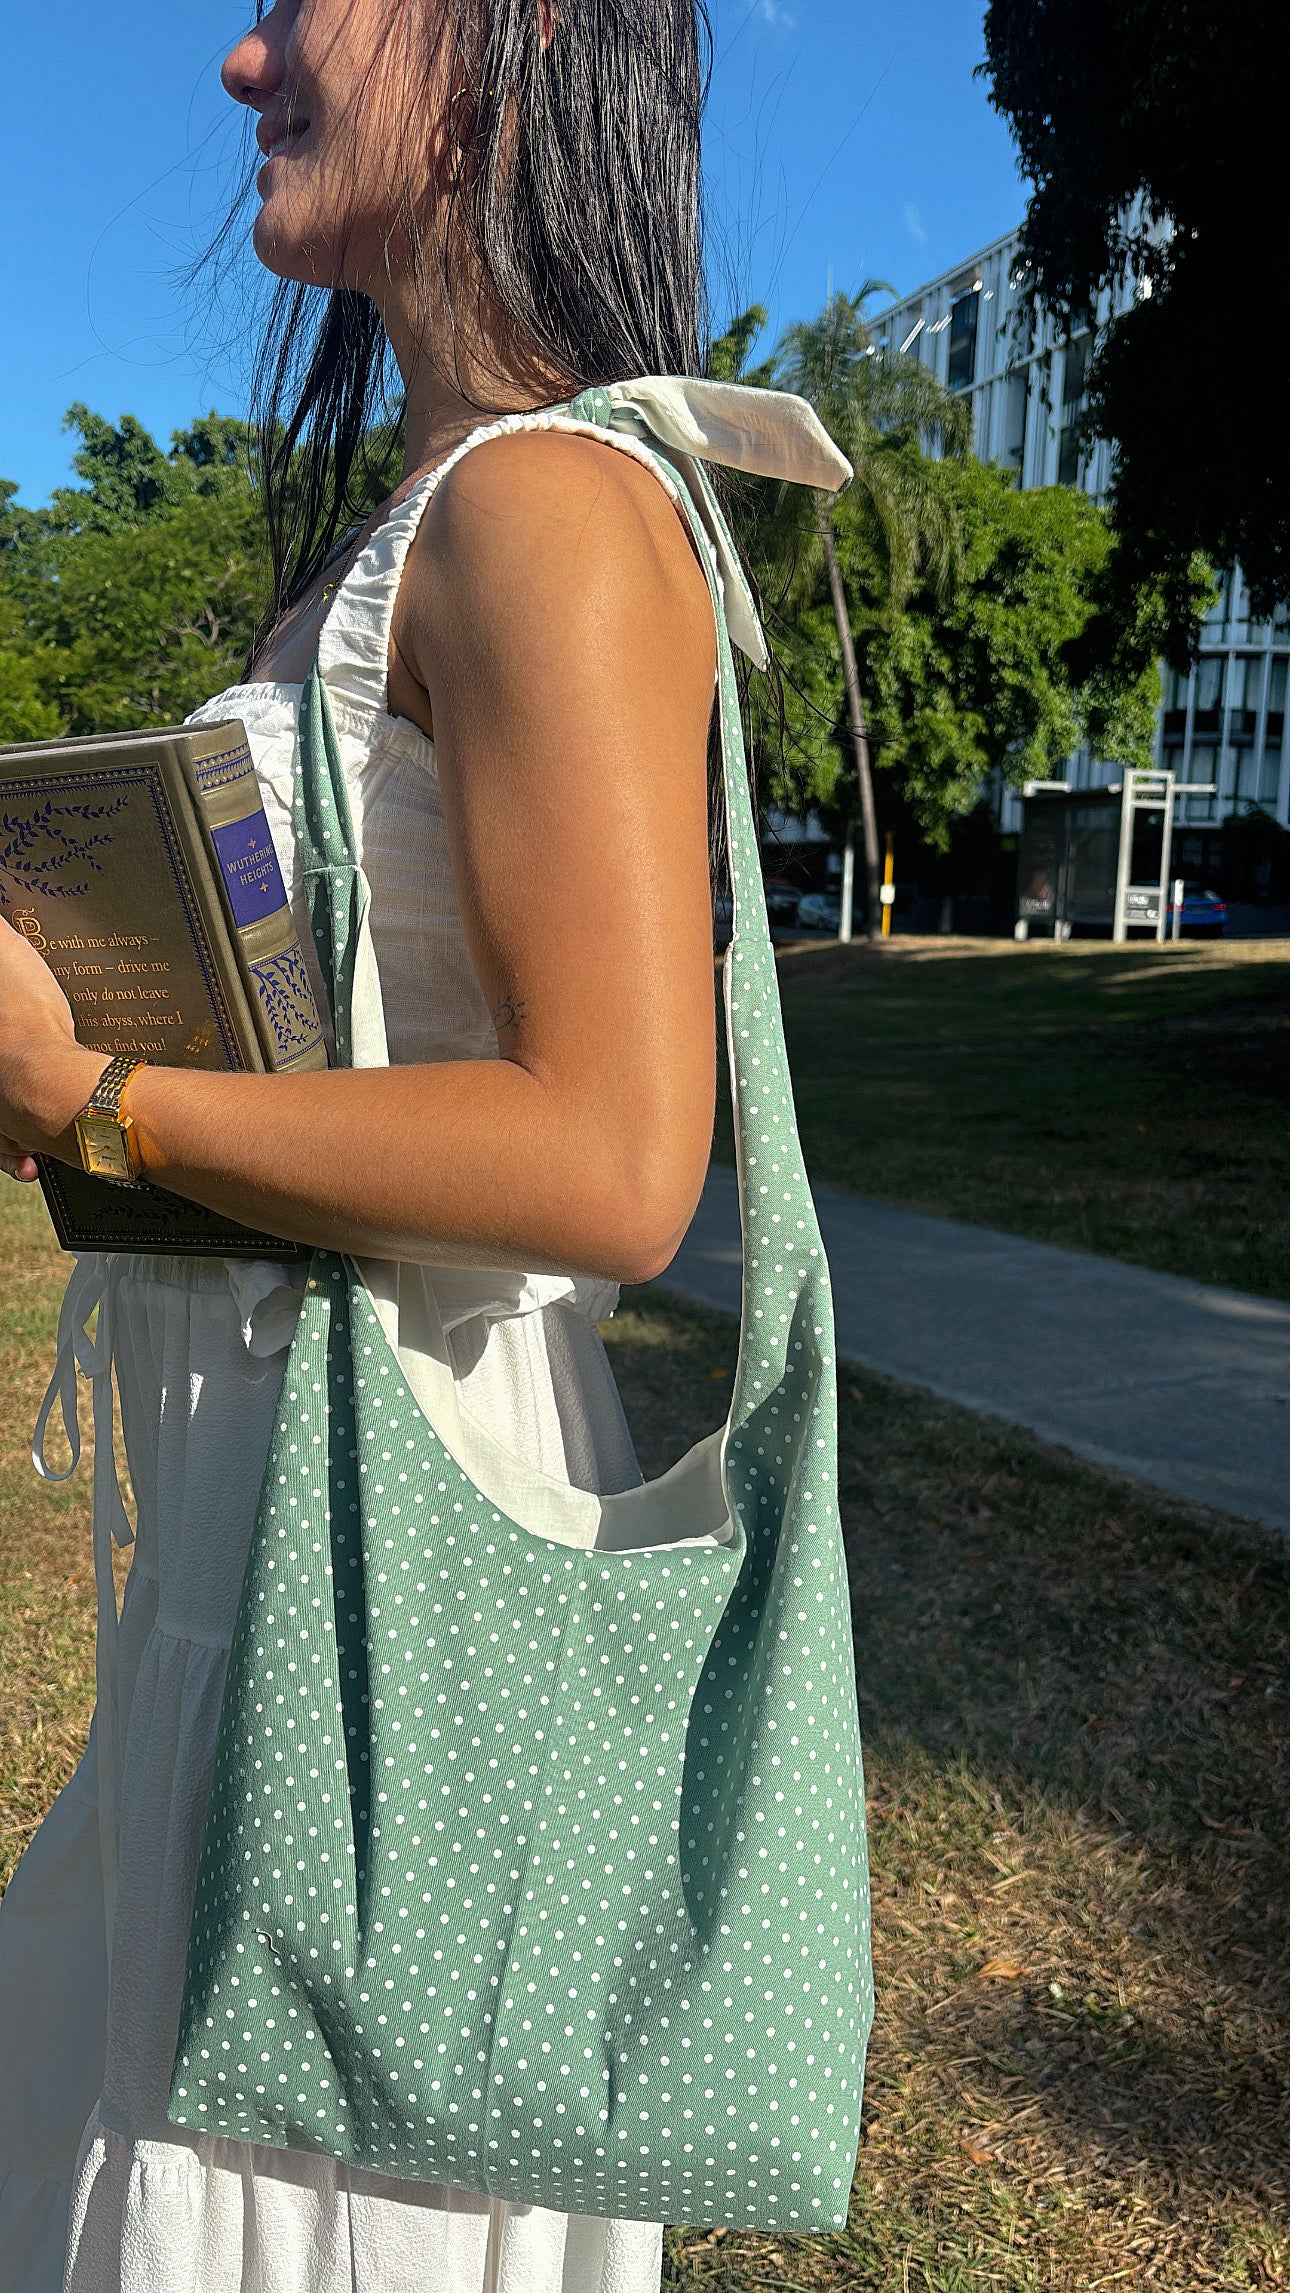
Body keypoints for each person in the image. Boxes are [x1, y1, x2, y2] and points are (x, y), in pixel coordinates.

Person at [0, 2, 801, 2287]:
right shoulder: (421, 531)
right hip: (283, 1544)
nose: (244, 60)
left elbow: (621, 1153)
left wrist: (102, 1100)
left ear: (506, 45)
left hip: (398, 1562)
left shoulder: (547, 506)